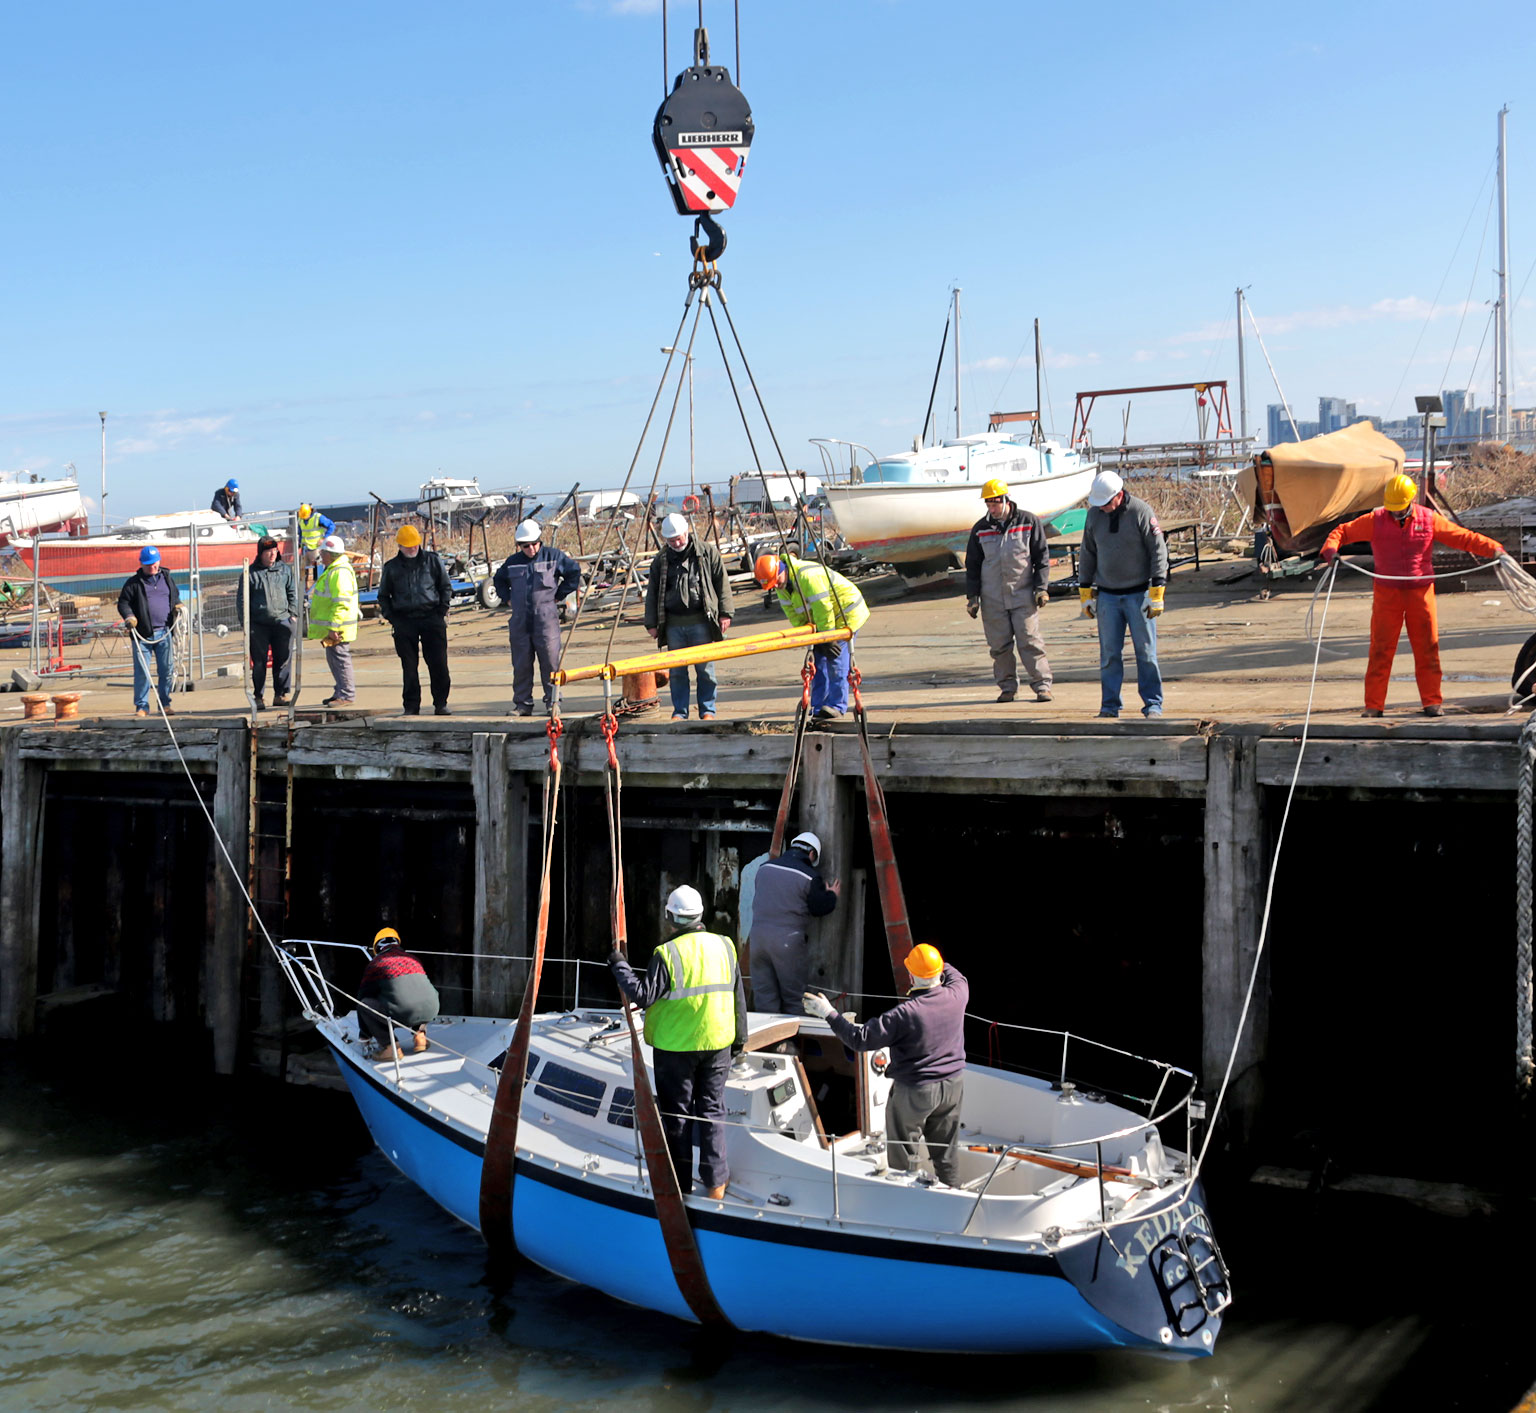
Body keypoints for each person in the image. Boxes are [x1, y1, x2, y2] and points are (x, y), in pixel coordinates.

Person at [1321, 473, 1504, 718]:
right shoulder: (1375, 520)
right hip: (1387, 594)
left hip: (1421, 592)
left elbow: (1463, 538)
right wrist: (1331, 551)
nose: (1396, 513)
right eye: (1392, 509)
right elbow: (1341, 531)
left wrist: (1495, 550)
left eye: (1400, 509)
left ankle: (1432, 702)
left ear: (1411, 501)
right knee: (1380, 650)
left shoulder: (1429, 520)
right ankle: (1374, 706)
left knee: (1427, 648)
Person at [608, 884, 747, 1199]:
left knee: (679, 1117)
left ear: (670, 917)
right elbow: (738, 997)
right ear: (700, 915)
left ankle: (680, 1187)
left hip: (676, 1050)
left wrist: (619, 966)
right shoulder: (725, 945)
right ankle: (716, 1187)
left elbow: (643, 995)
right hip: (718, 1045)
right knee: (712, 1112)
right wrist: (739, 1042)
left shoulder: (667, 953)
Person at [804, 944, 968, 1186]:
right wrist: (932, 963)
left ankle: (904, 1197)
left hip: (916, 1091)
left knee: (903, 1152)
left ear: (911, 976)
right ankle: (954, 1194)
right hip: (954, 1085)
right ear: (939, 973)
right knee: (946, 1151)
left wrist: (829, 1013)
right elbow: (956, 975)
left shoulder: (905, 1013)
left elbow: (859, 1040)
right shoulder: (958, 993)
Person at [1078, 470, 1168, 719]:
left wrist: (1157, 589)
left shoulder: (1141, 511)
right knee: (1109, 655)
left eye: (1106, 503)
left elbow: (1158, 551)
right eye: (1099, 504)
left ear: (1119, 496)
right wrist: (1085, 589)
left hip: (1138, 594)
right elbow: (1088, 552)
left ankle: (1152, 704)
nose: (1103, 508)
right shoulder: (1094, 515)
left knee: (1146, 653)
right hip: (1107, 597)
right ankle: (1109, 706)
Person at [964, 476, 1053, 704]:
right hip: (993, 598)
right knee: (999, 646)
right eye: (988, 504)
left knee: (1030, 641)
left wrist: (1040, 588)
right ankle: (1007, 688)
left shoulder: (1028, 522)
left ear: (1005, 499)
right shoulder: (981, 529)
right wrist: (972, 597)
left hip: (1023, 595)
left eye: (995, 503)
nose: (992, 508)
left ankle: (1042, 686)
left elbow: (1041, 557)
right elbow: (972, 565)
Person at [754, 553, 870, 721]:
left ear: (781, 569)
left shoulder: (808, 577)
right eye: (773, 584)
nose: (777, 585)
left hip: (847, 613)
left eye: (777, 580)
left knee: (835, 658)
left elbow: (823, 608)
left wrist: (827, 638)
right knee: (817, 659)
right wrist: (810, 637)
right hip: (826, 621)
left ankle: (837, 705)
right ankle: (818, 705)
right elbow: (795, 616)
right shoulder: (782, 587)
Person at [644, 512, 733, 720]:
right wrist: (651, 623)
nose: (676, 542)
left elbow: (722, 582)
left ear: (687, 532)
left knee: (706, 670)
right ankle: (680, 712)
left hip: (701, 621)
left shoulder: (707, 552)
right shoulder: (661, 560)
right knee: (677, 672)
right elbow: (653, 591)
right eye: (671, 540)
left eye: (679, 538)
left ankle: (707, 710)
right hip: (674, 624)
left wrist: (725, 613)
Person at [493, 519, 581, 716]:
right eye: (526, 546)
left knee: (550, 661)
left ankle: (553, 702)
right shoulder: (512, 562)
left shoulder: (554, 556)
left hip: (546, 618)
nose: (531, 549)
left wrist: (559, 594)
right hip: (520, 620)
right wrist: (507, 598)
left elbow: (574, 573)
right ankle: (523, 704)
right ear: (519, 545)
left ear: (539, 540)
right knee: (521, 663)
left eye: (534, 544)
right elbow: (498, 580)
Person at [746, 831, 840, 1012]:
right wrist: (831, 895)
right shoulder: (809, 877)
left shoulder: (764, 868)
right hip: (787, 943)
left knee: (764, 996)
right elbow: (819, 908)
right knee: (794, 998)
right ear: (812, 855)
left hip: (758, 940)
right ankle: (791, 1040)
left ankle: (769, 1040)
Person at [378, 524, 452, 716]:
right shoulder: (391, 568)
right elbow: (384, 596)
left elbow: (445, 587)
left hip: (432, 618)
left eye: (415, 545)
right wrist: (393, 618)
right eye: (408, 546)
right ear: (400, 546)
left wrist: (441, 611)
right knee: (409, 667)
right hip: (404, 622)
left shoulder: (433, 561)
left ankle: (440, 703)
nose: (412, 549)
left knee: (438, 664)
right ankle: (411, 706)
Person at [235, 536, 298, 710]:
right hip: (258, 625)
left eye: (274, 551)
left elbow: (292, 592)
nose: (272, 554)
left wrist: (293, 614)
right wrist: (244, 622)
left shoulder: (285, 570)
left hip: (282, 621)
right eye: (268, 551)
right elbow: (242, 600)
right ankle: (258, 696)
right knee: (259, 661)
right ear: (261, 553)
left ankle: (281, 694)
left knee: (283, 659)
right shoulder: (250, 573)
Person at [117, 546, 181, 718]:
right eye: (147, 565)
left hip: (165, 632)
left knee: (167, 670)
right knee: (142, 672)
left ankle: (165, 704)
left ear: (159, 561)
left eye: (154, 564)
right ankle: (142, 706)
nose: (151, 567)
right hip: (143, 635)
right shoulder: (133, 583)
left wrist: (178, 605)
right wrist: (129, 616)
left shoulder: (167, 578)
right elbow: (123, 603)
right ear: (141, 564)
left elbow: (174, 595)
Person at [358, 927, 440, 1060]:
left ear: (377, 948)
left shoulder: (376, 964)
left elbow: (362, 1000)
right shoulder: (413, 959)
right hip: (432, 1008)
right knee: (417, 996)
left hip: (403, 1014)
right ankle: (420, 1037)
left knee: (365, 1004)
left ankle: (390, 1048)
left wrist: (364, 1036)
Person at [307, 534, 360, 706]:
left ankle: (346, 694)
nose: (320, 556)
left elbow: (341, 603)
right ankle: (340, 691)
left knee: (340, 659)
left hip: (339, 627)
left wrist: (334, 626)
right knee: (334, 659)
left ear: (330, 554)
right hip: (336, 626)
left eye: (323, 553)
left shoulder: (339, 572)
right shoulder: (335, 570)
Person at [296, 503, 336, 580]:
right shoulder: (300, 519)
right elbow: (301, 533)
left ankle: (317, 584)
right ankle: (306, 588)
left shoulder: (318, 517)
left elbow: (331, 526)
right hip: (305, 549)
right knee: (304, 572)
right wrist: (299, 545)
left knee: (317, 571)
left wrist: (324, 538)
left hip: (316, 548)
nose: (304, 518)